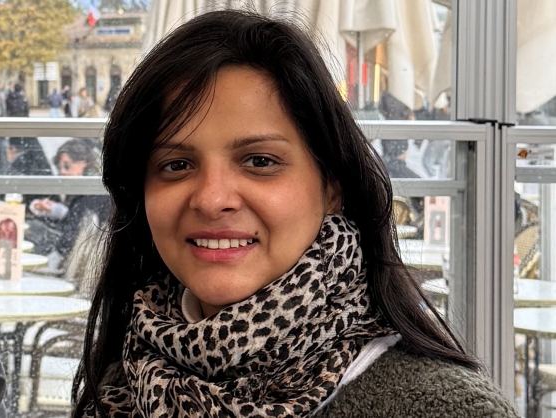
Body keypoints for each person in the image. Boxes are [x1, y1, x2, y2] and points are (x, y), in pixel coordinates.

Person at [71, 10, 518, 418]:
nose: (211, 198)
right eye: (176, 165)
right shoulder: (118, 382)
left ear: (332, 187)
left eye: (259, 161)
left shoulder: (451, 409)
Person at [27, 138, 109, 269]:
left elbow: (75, 228)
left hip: (69, 253)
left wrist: (61, 212)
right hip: (65, 244)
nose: (63, 172)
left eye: (66, 166)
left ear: (83, 163)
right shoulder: (75, 186)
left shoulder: (92, 192)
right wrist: (48, 209)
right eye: (59, 167)